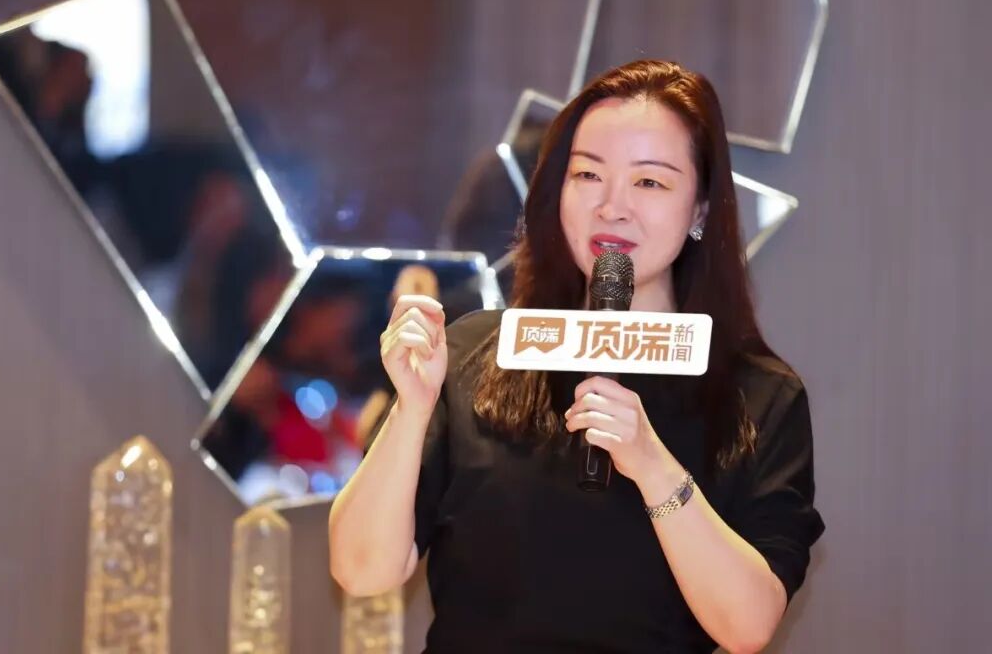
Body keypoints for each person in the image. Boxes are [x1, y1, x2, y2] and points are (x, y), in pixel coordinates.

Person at [328, 60, 825, 653]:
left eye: (650, 182)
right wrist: (411, 409)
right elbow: (362, 571)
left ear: (699, 210)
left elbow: (748, 627)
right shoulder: (471, 355)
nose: (612, 206)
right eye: (588, 174)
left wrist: (652, 466)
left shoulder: (759, 395)